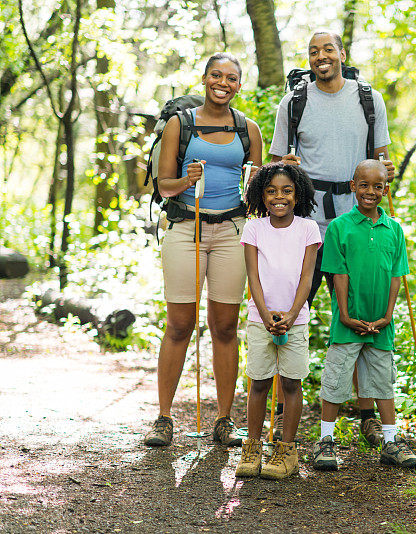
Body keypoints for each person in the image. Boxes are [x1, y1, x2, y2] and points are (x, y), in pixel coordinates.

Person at [269, 30, 394, 446]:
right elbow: (276, 167)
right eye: (313, 52)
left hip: (357, 219)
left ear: (342, 54)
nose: (321, 57)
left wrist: (385, 175)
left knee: (360, 309)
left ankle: (367, 414)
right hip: (307, 220)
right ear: (309, 60)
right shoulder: (295, 101)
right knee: (292, 304)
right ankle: (283, 408)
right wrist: (284, 166)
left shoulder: (368, 99)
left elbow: (380, 162)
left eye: (328, 50)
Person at [144, 52, 263, 447]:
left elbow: (259, 192)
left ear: (239, 85)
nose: (223, 83)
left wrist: (274, 173)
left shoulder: (250, 129)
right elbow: (163, 186)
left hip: (232, 230)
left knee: (226, 327)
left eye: (231, 77)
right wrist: (185, 178)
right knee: (179, 324)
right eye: (216, 75)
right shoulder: (181, 124)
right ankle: (163, 418)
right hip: (185, 228)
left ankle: (225, 420)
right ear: (204, 78)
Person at [312, 160, 416, 470]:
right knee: (335, 381)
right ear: (353, 186)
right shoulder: (339, 227)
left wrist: (387, 316)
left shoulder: (394, 229)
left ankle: (390, 441)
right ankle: (326, 441)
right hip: (348, 324)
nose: (370, 192)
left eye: (377, 186)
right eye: (364, 185)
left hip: (380, 325)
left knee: (383, 382)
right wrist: (345, 315)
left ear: (386, 190)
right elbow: (339, 274)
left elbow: (396, 276)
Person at [235, 163, 320, 479]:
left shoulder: (308, 228)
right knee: (258, 382)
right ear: (261, 194)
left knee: (290, 383)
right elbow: (253, 276)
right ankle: (253, 448)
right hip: (260, 319)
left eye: (286, 191)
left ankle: (286, 450)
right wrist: (267, 313)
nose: (278, 197)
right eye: (271, 191)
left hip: (295, 321)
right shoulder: (254, 228)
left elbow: (307, 277)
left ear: (297, 195)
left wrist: (291, 314)